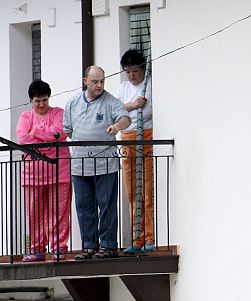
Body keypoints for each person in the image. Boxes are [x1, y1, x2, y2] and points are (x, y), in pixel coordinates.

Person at [63, 65, 130, 260]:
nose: (99, 85)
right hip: (79, 165)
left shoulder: (111, 101)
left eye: (102, 81)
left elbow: (125, 118)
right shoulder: (73, 103)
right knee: (84, 207)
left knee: (107, 205)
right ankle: (89, 246)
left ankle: (108, 246)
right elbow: (68, 130)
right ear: (85, 81)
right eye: (95, 81)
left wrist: (116, 126)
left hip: (105, 164)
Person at [16, 80, 71, 262]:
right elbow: (23, 139)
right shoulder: (25, 116)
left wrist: (35, 132)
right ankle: (37, 249)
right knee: (34, 213)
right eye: (37, 101)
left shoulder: (58, 113)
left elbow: (61, 133)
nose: (41, 105)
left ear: (49, 98)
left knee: (59, 212)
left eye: (44, 100)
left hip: (59, 172)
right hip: (32, 175)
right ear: (31, 101)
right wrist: (47, 137)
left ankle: (58, 248)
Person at [115, 49, 155, 254]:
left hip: (145, 137)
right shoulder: (123, 88)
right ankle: (136, 238)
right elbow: (116, 111)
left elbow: (148, 111)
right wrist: (133, 104)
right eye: (128, 72)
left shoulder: (150, 85)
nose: (131, 76)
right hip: (127, 139)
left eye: (135, 71)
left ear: (143, 69)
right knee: (132, 192)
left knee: (147, 190)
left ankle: (150, 236)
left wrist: (130, 108)